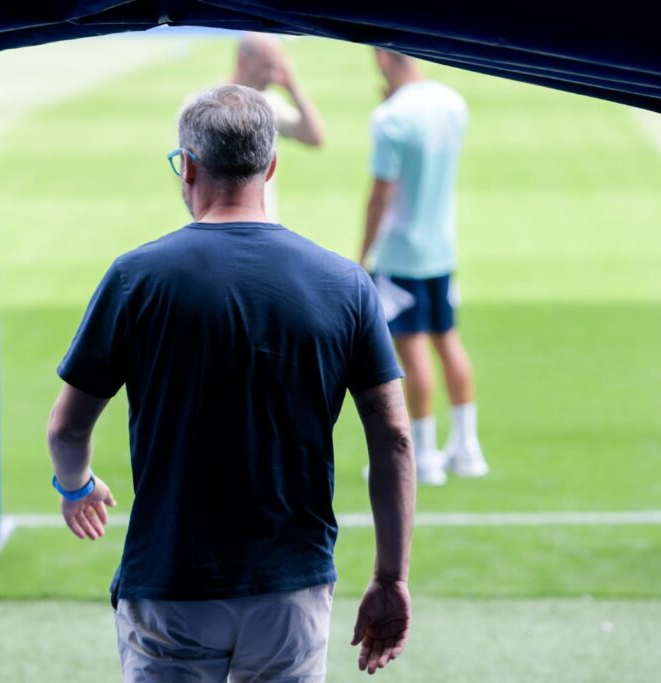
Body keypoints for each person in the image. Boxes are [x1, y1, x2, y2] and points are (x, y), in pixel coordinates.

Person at [47, 84, 414, 681]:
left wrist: (76, 487)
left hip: (170, 578)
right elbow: (394, 437)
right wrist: (391, 578)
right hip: (291, 584)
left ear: (186, 166)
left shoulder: (135, 278)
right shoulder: (345, 283)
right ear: (270, 166)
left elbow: (66, 429)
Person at [359, 48, 490, 486]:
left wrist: (362, 255)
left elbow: (381, 195)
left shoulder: (391, 117)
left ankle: (425, 455)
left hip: (400, 253)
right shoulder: (453, 103)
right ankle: (468, 447)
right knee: (448, 340)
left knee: (411, 349)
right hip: (442, 248)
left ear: (382, 56)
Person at [230, 32, 325, 221]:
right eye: (266, 66)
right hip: (219, 229)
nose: (272, 76)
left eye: (276, 67)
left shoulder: (269, 104)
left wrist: (293, 88)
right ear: (243, 61)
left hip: (263, 226)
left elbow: (315, 138)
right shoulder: (205, 106)